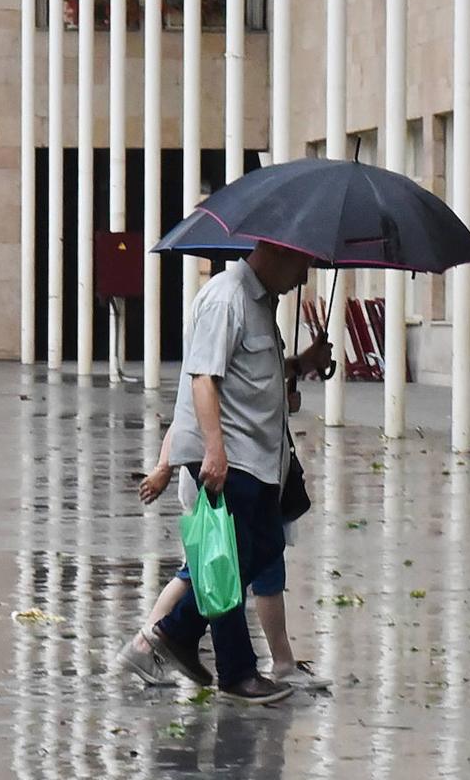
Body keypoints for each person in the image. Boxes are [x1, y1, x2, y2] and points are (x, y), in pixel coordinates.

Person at [117, 242, 331, 705]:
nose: (305, 277)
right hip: (231, 455)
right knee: (228, 560)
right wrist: (213, 450)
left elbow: (252, 374)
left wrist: (301, 364)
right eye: (304, 263)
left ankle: (176, 635)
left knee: (259, 548)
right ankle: (234, 672)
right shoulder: (226, 297)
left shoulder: (260, 305)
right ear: (277, 253)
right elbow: (203, 378)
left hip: (258, 456)